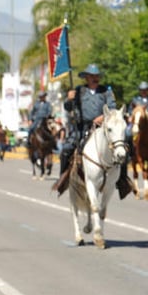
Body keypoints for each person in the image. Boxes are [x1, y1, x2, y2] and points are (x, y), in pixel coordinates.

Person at [54, 64, 129, 197]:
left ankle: (122, 181)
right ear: (86, 78)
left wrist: (103, 117)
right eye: (92, 76)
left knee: (122, 149)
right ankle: (63, 180)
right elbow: (68, 107)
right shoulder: (79, 91)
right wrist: (69, 99)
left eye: (97, 76)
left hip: (103, 128)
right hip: (82, 127)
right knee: (66, 150)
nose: (95, 78)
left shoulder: (106, 91)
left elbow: (112, 108)